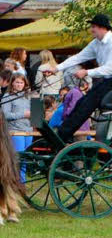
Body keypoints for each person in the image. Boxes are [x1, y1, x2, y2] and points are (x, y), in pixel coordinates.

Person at [38, 14, 112, 143]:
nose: (91, 30)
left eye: (93, 27)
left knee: (87, 103)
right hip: (107, 80)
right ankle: (62, 134)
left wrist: (87, 72)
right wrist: (56, 68)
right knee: (81, 103)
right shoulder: (96, 43)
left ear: (102, 28)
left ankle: (61, 135)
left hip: (109, 79)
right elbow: (78, 57)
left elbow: (110, 68)